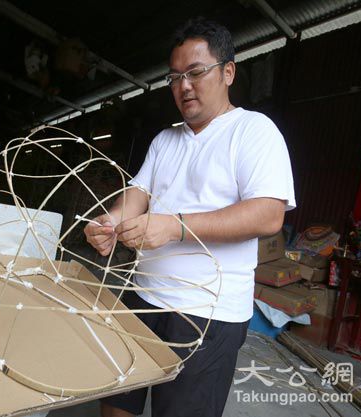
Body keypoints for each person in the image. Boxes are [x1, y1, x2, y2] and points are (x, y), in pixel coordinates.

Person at [84, 18, 295, 417]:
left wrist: (175, 227)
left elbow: (268, 214)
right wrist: (109, 221)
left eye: (196, 73)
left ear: (228, 72)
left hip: (206, 315)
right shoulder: (166, 139)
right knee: (115, 404)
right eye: (175, 77)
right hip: (142, 296)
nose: (183, 86)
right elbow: (138, 194)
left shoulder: (253, 132)